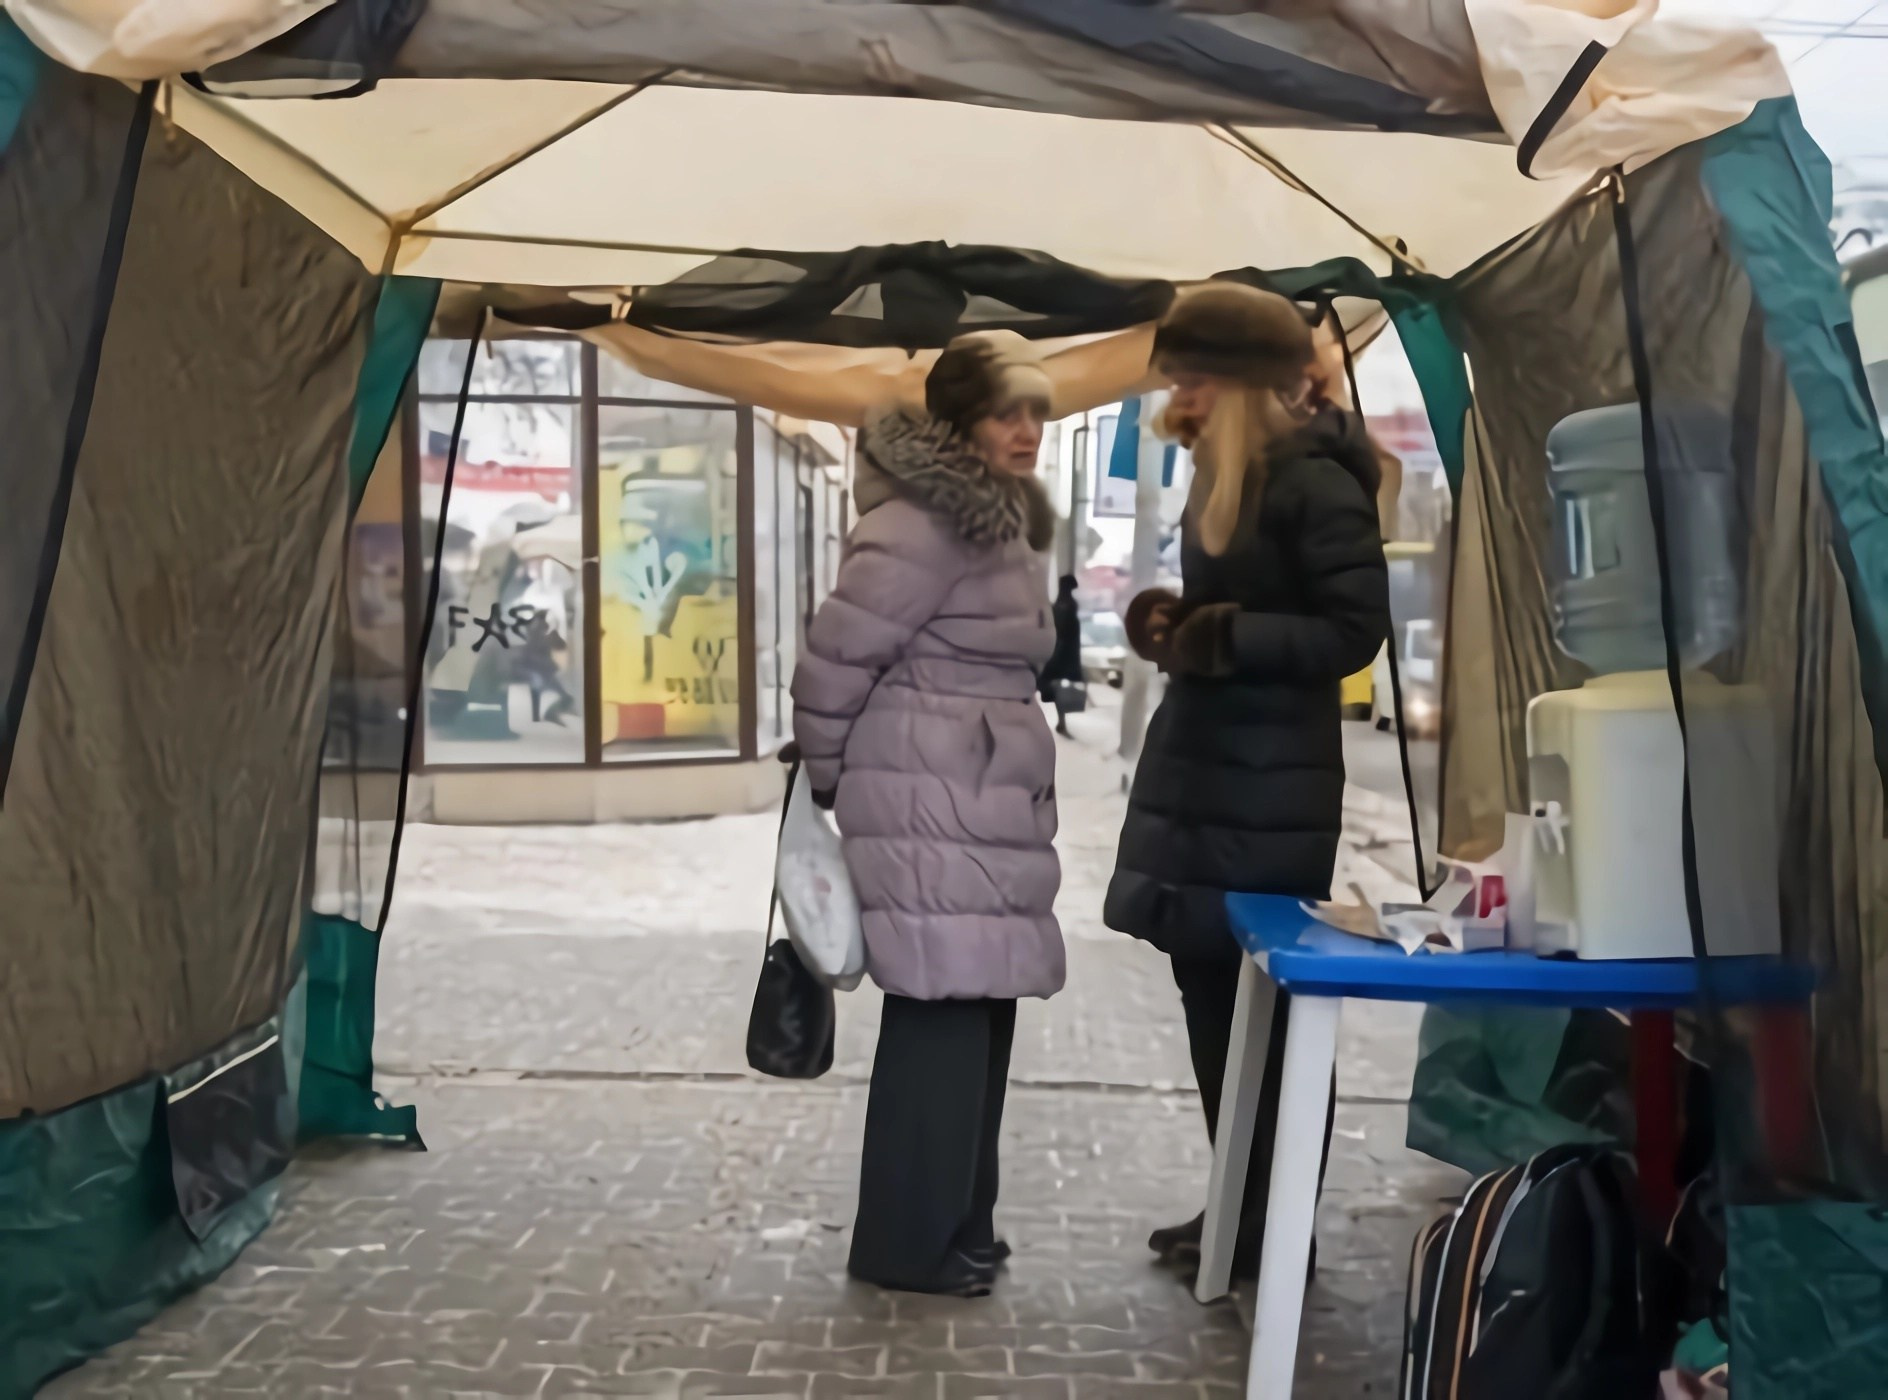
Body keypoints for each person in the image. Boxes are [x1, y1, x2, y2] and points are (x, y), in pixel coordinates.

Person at [1103, 283, 1390, 1281]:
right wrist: (1175, 619)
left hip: (1269, 787)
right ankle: (1236, 1205)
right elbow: (1248, 603)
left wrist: (1218, 636)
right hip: (1213, 773)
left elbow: (1353, 630)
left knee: (1258, 1019)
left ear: (1236, 381)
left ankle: (1278, 1233)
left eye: (1191, 372)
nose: (1177, 390)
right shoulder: (1227, 468)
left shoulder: (1313, 479)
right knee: (1209, 1002)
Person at [791, 330, 1065, 1297]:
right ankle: (908, 1247)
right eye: (1008, 412)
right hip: (926, 796)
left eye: (1039, 411)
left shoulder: (997, 523)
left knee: (977, 1018)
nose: (1029, 430)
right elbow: (834, 661)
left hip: (973, 798)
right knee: (941, 1017)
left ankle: (960, 1228)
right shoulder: (920, 525)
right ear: (961, 422)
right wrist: (829, 781)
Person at [1039, 574, 1085, 737]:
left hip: (1055, 652)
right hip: (1065, 655)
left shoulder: (1055, 606)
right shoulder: (1070, 606)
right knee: (1061, 689)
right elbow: (1069, 634)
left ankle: (1061, 721)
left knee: (1055, 688)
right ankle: (1061, 722)